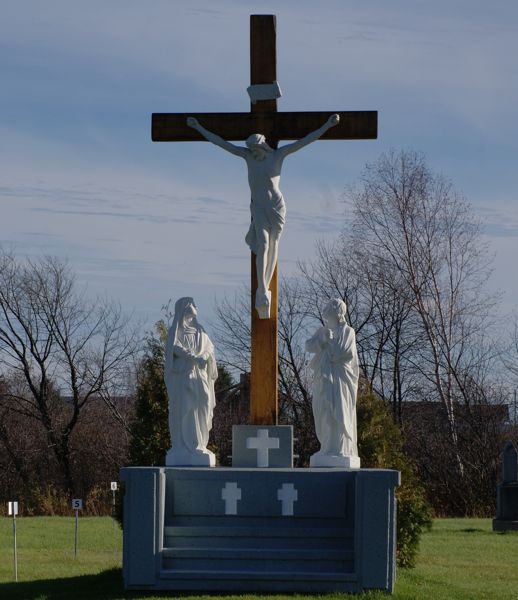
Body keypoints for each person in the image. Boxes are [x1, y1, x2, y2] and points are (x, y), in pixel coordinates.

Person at [187, 114, 340, 318]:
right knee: (263, 245)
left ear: (263, 146)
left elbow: (305, 140)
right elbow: (221, 143)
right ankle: (262, 289)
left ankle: (265, 287)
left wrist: (327, 126)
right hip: (258, 207)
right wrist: (199, 128)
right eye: (251, 150)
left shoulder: (278, 155)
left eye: (255, 149)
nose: (253, 152)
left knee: (274, 245)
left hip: (276, 207)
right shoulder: (248, 157)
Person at [305, 298, 360, 468]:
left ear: (337, 313)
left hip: (341, 378)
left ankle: (341, 448)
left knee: (341, 411)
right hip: (324, 378)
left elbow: (346, 353)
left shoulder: (348, 331)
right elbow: (309, 346)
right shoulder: (322, 330)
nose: (326, 313)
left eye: (329, 310)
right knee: (324, 411)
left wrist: (330, 343)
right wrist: (321, 341)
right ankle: (327, 447)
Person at [164, 297, 218, 466]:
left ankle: (200, 443)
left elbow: (209, 348)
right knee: (185, 407)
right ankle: (184, 446)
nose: (196, 307)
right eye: (194, 305)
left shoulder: (201, 331)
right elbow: (173, 347)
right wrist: (189, 355)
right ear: (185, 308)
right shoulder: (176, 331)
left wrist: (204, 356)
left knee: (203, 404)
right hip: (184, 376)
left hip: (200, 375)